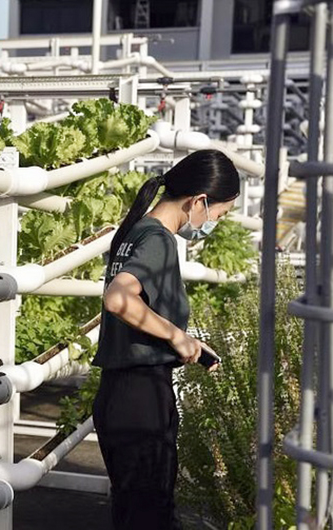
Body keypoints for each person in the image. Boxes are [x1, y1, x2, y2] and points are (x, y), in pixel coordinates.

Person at [92, 149, 240, 529]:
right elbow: (119, 299)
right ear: (199, 201)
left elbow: (135, 310)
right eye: (218, 215)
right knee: (150, 516)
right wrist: (176, 336)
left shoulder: (134, 231)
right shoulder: (159, 240)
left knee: (132, 513)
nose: (213, 224)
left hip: (117, 394)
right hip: (142, 401)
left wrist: (185, 342)